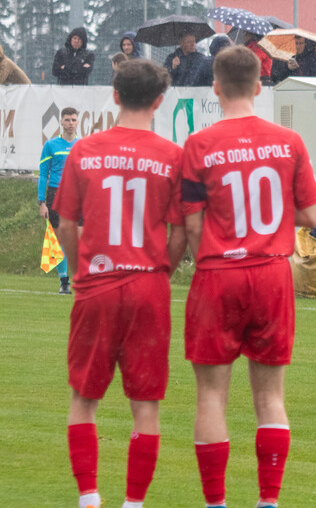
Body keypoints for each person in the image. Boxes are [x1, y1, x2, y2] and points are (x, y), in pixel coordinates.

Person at [181, 46, 316, 508]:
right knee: (271, 396)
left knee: (210, 397)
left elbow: (193, 224)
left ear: (216, 87)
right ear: (260, 86)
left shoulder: (198, 145)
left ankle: (216, 503)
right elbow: (312, 214)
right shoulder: (289, 141)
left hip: (218, 274)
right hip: (270, 274)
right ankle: (268, 501)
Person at [53, 58, 186, 508]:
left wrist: (76, 269)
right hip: (148, 286)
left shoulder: (85, 150)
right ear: (159, 101)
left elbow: (66, 221)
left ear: (113, 95)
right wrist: (161, 270)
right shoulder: (171, 155)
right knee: (145, 404)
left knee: (84, 397)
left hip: (97, 283)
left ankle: (89, 497)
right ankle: (133, 503)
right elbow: (182, 231)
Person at [39, 106, 80, 294]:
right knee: (59, 239)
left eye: (73, 120)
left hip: (77, 195)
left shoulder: (82, 146)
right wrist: (41, 202)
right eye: (67, 120)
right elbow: (43, 174)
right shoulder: (51, 145)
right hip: (55, 194)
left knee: (80, 237)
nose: (70, 123)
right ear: (61, 122)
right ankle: (64, 282)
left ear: (77, 122)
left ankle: (82, 278)